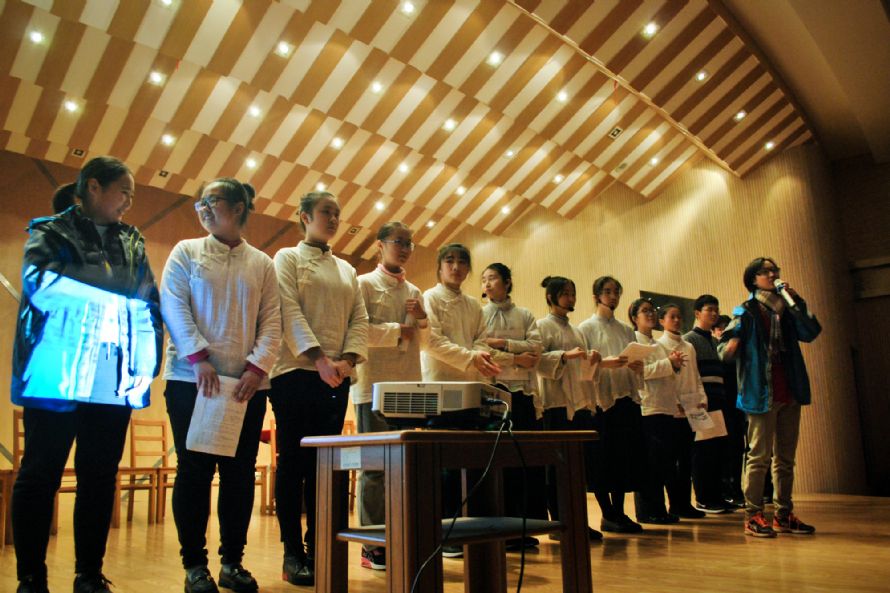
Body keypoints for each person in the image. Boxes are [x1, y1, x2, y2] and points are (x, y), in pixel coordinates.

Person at [11, 156, 162, 593]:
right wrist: (114, 303)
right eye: (124, 192)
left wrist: (146, 365)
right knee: (40, 474)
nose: (129, 202)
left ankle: (89, 574)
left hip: (111, 377)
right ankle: (31, 578)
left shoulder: (132, 241)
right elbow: (41, 284)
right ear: (93, 187)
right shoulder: (51, 231)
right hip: (56, 373)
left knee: (99, 477)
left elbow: (148, 302)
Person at [160, 179, 281, 593]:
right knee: (193, 472)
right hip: (191, 381)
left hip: (246, 386)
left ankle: (233, 562)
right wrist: (198, 359)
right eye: (201, 203)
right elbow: (173, 304)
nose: (203, 209)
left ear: (239, 207)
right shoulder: (186, 251)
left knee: (239, 474)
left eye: (211, 201)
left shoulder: (262, 263)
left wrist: (255, 369)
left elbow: (272, 321)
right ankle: (195, 566)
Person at [270, 191, 369, 585]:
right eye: (326, 211)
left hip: (337, 375)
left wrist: (348, 360)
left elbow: (359, 318)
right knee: (293, 464)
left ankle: (319, 547)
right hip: (295, 372)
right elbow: (287, 308)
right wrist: (319, 359)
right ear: (304, 216)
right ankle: (292, 553)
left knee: (324, 466)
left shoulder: (347, 269)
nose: (333, 219)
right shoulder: (287, 258)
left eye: (337, 213)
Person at [719, 257, 821, 538]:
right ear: (753, 278)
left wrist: (796, 301)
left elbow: (812, 332)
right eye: (766, 271)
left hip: (790, 390)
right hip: (759, 391)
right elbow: (723, 349)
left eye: (775, 270)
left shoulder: (787, 308)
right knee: (759, 457)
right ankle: (753, 515)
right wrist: (731, 345)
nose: (773, 274)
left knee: (785, 459)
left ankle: (783, 515)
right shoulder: (745, 310)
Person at [351, 222, 428, 571]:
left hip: (408, 386)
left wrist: (423, 321)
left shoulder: (414, 290)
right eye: (399, 241)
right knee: (374, 468)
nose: (406, 248)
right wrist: (399, 330)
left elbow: (425, 341)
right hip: (372, 385)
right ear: (380, 245)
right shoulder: (363, 284)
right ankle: (372, 545)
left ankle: (399, 534)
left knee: (404, 467)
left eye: (409, 243)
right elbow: (357, 331)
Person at [422, 243, 500, 557]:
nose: (456, 267)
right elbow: (431, 341)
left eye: (462, 262)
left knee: (470, 460)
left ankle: (467, 528)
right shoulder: (430, 297)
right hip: (440, 387)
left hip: (471, 387)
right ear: (440, 266)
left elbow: (481, 339)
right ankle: (443, 533)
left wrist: (477, 356)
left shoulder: (473, 305)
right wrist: (471, 357)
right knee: (444, 464)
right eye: (449, 261)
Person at [480, 263, 545, 549]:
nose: (487, 283)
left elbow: (537, 347)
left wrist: (503, 343)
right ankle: (501, 528)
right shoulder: (480, 314)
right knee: (500, 461)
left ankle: (524, 526)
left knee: (523, 459)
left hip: (523, 395)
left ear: (507, 282)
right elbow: (482, 348)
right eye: (483, 279)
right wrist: (517, 354)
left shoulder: (525, 314)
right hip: (494, 394)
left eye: (492, 278)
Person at [535, 276, 603, 541]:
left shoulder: (577, 331)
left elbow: (585, 370)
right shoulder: (542, 326)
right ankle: (558, 523)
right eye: (565, 293)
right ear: (550, 297)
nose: (570, 298)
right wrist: (564, 356)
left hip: (579, 402)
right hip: (556, 404)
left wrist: (593, 359)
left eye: (573, 293)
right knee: (557, 468)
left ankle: (577, 521)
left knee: (577, 467)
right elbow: (538, 362)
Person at [578, 276, 645, 534]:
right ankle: (607, 512)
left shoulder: (626, 330)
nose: (613, 296)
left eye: (616, 292)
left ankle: (619, 511)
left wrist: (636, 365)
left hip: (625, 397)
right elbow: (582, 368)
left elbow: (633, 359)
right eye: (607, 292)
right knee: (602, 459)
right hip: (601, 401)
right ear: (597, 296)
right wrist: (605, 364)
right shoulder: (585, 328)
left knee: (623, 457)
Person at [628, 298, 685, 524]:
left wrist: (674, 367)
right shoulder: (633, 341)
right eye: (645, 311)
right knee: (650, 463)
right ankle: (647, 511)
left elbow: (665, 373)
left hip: (665, 406)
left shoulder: (658, 344)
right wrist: (669, 364)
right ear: (634, 317)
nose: (650, 314)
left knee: (664, 463)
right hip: (648, 407)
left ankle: (660, 509)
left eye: (652, 310)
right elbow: (639, 372)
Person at [657, 304, 708, 520]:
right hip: (673, 408)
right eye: (672, 317)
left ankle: (685, 503)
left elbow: (695, 375)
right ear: (662, 321)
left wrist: (702, 398)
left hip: (691, 405)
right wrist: (674, 401)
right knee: (672, 459)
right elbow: (666, 378)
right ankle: (675, 504)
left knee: (688, 458)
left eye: (679, 317)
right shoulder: (660, 345)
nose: (677, 320)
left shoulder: (689, 346)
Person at [683, 295, 732, 514]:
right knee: (702, 451)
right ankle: (704, 498)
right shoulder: (689, 340)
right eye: (709, 309)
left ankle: (717, 496)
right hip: (700, 403)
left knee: (717, 450)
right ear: (697, 313)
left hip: (718, 401)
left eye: (716, 310)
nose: (714, 313)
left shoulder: (714, 341)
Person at [714, 314, 746, 507]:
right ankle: (725, 491)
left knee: (737, 448)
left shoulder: (737, 357)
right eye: (719, 328)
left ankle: (736, 489)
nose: (722, 332)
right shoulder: (716, 352)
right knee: (723, 450)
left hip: (737, 406)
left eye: (725, 328)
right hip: (720, 407)